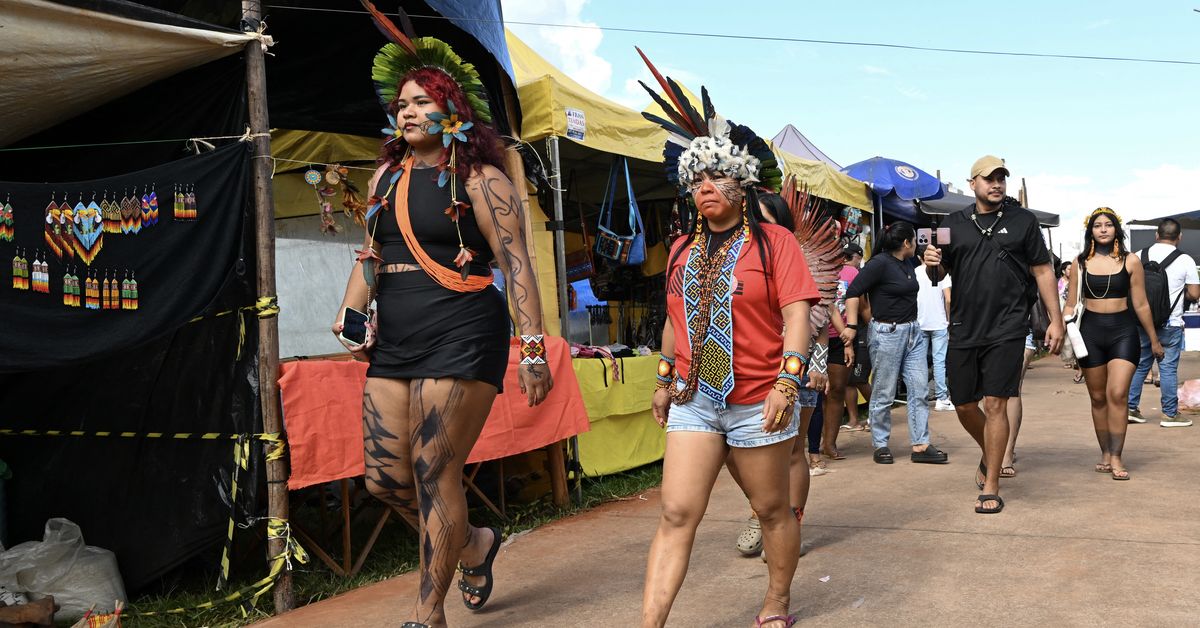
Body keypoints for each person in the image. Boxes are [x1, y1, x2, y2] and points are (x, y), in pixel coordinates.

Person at [332, 18, 552, 627]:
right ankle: (474, 544)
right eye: (402, 104)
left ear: (452, 109)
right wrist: (351, 313)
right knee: (384, 480)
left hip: (463, 329)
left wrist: (533, 349)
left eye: (422, 102)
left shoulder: (481, 180)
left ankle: (427, 614)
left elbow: (517, 263)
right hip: (398, 335)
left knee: (435, 470)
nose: (407, 112)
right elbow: (372, 255)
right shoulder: (384, 177)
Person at [638, 58, 819, 628]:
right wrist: (664, 379)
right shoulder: (681, 250)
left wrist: (787, 383)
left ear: (742, 185)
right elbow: (675, 321)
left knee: (771, 509)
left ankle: (777, 599)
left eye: (717, 177)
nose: (705, 188)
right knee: (676, 513)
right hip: (695, 399)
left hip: (757, 398)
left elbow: (797, 314)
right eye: (697, 179)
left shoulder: (775, 243)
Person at [923, 155, 1064, 514]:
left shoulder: (1023, 221)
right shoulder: (952, 223)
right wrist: (931, 262)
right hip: (964, 326)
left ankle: (991, 485)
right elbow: (939, 275)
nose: (996, 184)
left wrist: (1056, 320)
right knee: (963, 404)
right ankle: (991, 451)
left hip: (1008, 326)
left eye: (1001, 178)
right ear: (973, 184)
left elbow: (1043, 271)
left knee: (996, 403)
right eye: (989, 179)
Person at [730, 192, 829, 560]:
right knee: (737, 452)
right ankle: (764, 512)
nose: (755, 226)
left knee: (792, 451)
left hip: (795, 369)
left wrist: (817, 366)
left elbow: (819, 321)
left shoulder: (795, 256)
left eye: (765, 220)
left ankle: (790, 523)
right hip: (748, 371)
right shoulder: (735, 256)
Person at [1063, 207, 1163, 479]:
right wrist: (1062, 333)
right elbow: (1070, 304)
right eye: (1098, 225)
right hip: (1090, 334)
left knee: (1117, 394)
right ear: (1091, 231)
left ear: (1116, 229)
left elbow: (1141, 304)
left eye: (1108, 224)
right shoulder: (1080, 263)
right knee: (1098, 398)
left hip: (1123, 332)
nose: (1103, 229)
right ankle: (1105, 452)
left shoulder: (1131, 261)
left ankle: (1117, 456)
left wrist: (1154, 340)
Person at [844, 221, 948, 466]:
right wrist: (851, 326)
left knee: (919, 389)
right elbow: (853, 292)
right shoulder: (879, 263)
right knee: (884, 391)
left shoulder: (907, 263)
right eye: (914, 240)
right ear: (906, 243)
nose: (917, 244)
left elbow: (938, 277)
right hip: (887, 334)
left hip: (913, 332)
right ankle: (880, 444)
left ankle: (921, 445)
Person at [1128, 218, 1199, 427]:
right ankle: (1170, 414)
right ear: (1179, 237)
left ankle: (1130, 408)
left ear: (1157, 235)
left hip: (1142, 322)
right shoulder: (1185, 260)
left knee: (1140, 365)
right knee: (1167, 368)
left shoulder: (1138, 255)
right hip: (1170, 323)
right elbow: (1195, 294)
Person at [830, 244, 868, 433]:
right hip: (826, 335)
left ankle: (877, 415)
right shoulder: (819, 270)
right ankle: (853, 420)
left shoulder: (852, 273)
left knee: (854, 380)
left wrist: (871, 331)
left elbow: (863, 306)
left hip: (851, 334)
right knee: (841, 384)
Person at [915, 261, 953, 411]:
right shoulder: (942, 271)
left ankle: (919, 398)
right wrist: (948, 320)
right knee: (939, 361)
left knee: (919, 362)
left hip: (920, 322)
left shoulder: (915, 271)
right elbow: (948, 299)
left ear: (919, 256)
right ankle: (941, 398)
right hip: (939, 322)